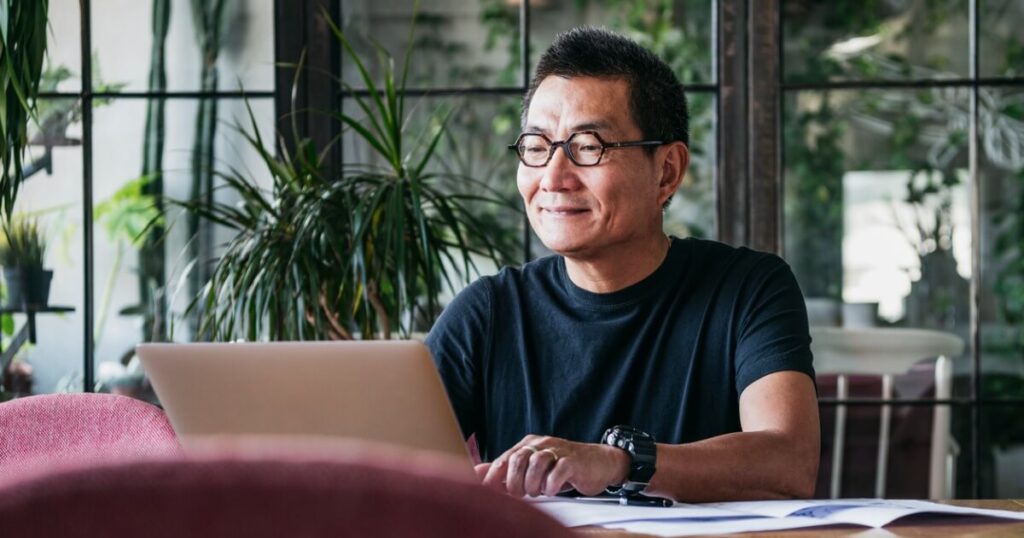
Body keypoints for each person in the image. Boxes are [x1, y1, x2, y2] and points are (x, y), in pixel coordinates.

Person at [425, 26, 819, 503]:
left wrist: (617, 462)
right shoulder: (486, 314)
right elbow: (383, 469)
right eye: (536, 146)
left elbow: (788, 462)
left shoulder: (747, 289)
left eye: (588, 146)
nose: (553, 177)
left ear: (667, 170)